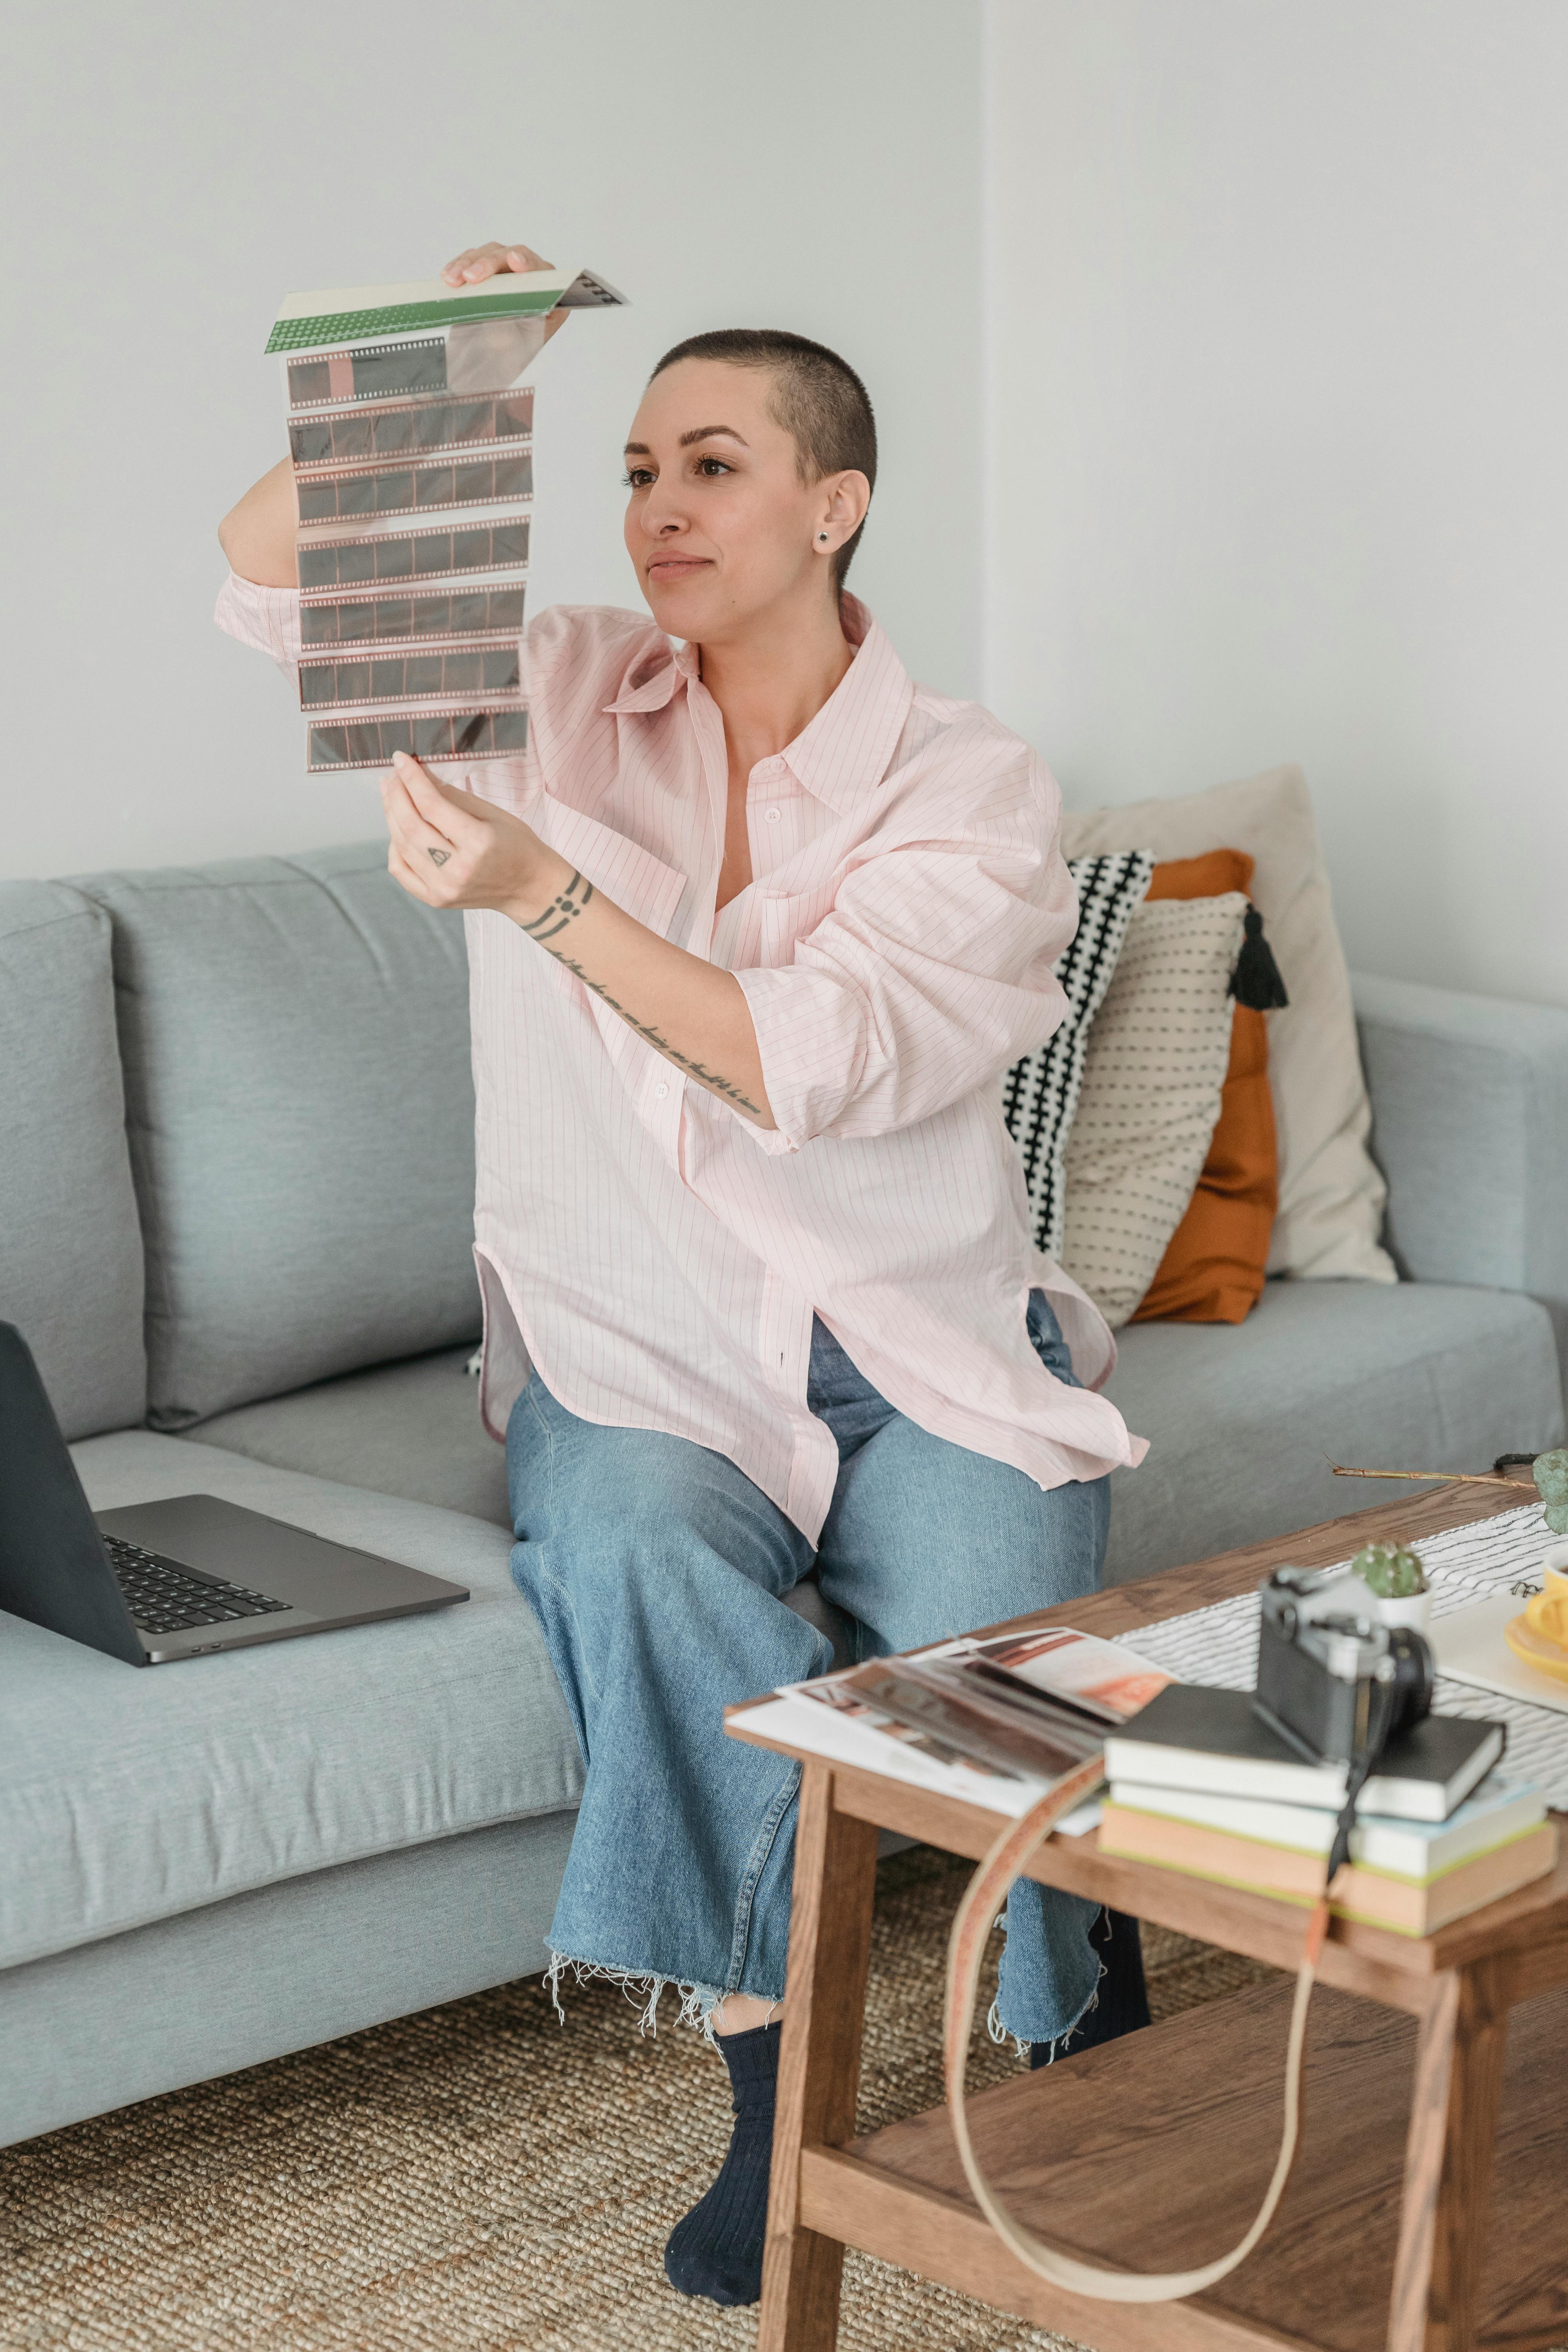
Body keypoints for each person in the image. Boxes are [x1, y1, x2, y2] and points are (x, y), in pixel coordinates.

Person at [217, 237, 1150, 2309]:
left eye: (712, 466)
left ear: (838, 504)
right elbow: (273, 571)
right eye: (636, 466)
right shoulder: (554, 690)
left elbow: (804, 1061)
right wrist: (452, 368)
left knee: (1002, 1632)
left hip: (910, 1334)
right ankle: (777, 2091)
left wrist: (540, 890)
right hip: (640, 1343)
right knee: (635, 1557)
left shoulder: (973, 784)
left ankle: (1073, 1945)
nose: (656, 509)